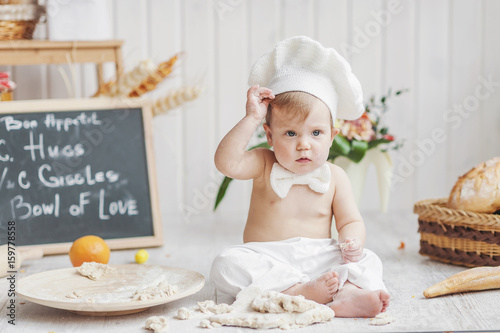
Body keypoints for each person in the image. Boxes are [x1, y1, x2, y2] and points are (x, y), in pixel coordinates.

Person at [210, 36, 390, 318]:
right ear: (269, 135)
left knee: (370, 259)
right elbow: (226, 163)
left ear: (332, 136)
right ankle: (298, 292)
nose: (304, 144)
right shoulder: (264, 163)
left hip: (320, 259)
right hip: (267, 257)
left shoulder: (335, 176)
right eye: (290, 133)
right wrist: (251, 118)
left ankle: (348, 295)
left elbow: (350, 221)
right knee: (225, 263)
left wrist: (352, 241)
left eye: (316, 133)